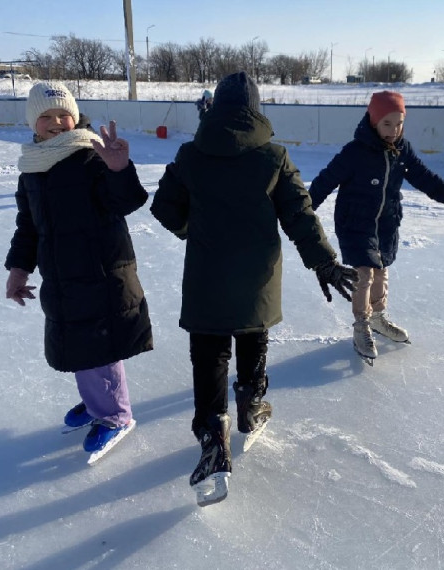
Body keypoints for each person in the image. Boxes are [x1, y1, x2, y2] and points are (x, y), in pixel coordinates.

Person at [150, 71, 357, 505]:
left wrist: (194, 228)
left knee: (208, 354)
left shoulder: (191, 155)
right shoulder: (273, 157)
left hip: (207, 275)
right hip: (257, 276)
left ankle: (212, 437)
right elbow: (300, 215)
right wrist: (325, 262)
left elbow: (165, 207)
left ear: (215, 109)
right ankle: (250, 406)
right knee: (252, 338)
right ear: (257, 109)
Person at [4, 81, 153, 458]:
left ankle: (116, 414)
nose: (57, 122)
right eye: (46, 116)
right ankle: (96, 401)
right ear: (32, 123)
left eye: (63, 114)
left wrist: (120, 169)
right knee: (81, 344)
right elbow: (28, 226)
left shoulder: (90, 155)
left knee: (100, 346)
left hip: (101, 270)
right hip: (63, 274)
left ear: (75, 116)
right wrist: (19, 269)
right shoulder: (32, 169)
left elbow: (125, 201)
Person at [309, 90, 444, 362]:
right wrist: (298, 214)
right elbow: (323, 183)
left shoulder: (402, 150)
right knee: (364, 275)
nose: (393, 130)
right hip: (355, 223)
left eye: (399, 123)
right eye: (387, 123)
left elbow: (429, 181)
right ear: (374, 122)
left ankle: (378, 317)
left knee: (381, 271)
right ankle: (361, 324)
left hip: (386, 222)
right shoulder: (355, 152)